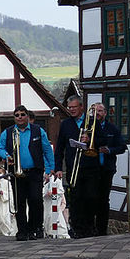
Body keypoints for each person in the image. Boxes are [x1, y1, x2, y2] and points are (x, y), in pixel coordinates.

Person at [0, 105, 55, 241]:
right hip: (17, 173)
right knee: (19, 202)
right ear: (14, 118)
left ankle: (35, 228)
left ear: (27, 116)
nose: (20, 117)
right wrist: (6, 156)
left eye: (22, 114)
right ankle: (22, 230)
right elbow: (0, 148)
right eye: (17, 115)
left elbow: (47, 149)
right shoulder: (8, 132)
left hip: (35, 171)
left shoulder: (38, 131)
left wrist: (50, 168)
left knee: (35, 200)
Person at [80, 103, 127, 236]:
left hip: (106, 168)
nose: (97, 113)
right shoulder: (87, 127)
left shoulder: (112, 128)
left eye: (100, 111)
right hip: (91, 168)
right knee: (91, 198)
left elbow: (122, 147)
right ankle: (90, 228)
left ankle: (102, 229)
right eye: (94, 111)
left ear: (105, 113)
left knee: (104, 199)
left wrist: (110, 150)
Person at [53, 95, 88, 237]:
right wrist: (58, 167)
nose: (71, 110)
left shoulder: (90, 122)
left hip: (90, 166)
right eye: (70, 108)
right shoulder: (66, 124)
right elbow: (60, 146)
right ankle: (76, 228)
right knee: (75, 198)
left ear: (81, 107)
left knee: (89, 197)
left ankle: (89, 227)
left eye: (74, 107)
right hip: (73, 165)